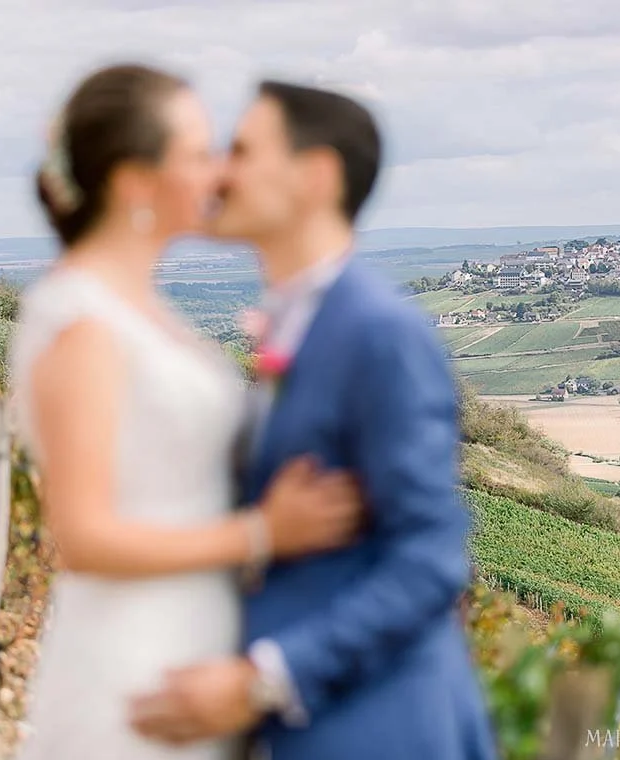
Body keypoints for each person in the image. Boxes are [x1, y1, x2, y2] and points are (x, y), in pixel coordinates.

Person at [130, 81, 496, 760]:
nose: (219, 170)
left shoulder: (378, 331)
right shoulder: (297, 323)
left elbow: (432, 559)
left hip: (381, 730)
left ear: (317, 175)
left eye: (241, 149)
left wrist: (261, 682)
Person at [8, 64, 365, 760]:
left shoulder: (137, 309)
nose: (221, 173)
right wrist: (264, 532)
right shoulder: (84, 322)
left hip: (197, 645)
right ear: (136, 181)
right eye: (201, 154)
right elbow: (82, 535)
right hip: (136, 661)